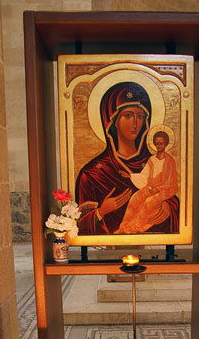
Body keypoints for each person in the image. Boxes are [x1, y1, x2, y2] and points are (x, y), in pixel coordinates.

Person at [75, 81, 179, 235]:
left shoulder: (157, 162)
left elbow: (169, 190)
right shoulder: (92, 174)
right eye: (128, 115)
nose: (135, 123)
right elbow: (80, 225)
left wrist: (169, 207)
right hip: (108, 251)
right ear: (112, 120)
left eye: (140, 116)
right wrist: (101, 211)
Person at [114, 131, 178, 234]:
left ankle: (136, 228)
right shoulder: (151, 159)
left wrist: (158, 189)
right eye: (157, 143)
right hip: (150, 188)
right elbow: (145, 176)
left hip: (162, 191)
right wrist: (130, 176)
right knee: (135, 198)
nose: (159, 146)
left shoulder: (169, 161)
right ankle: (124, 227)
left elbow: (171, 184)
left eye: (161, 143)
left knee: (149, 203)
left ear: (165, 143)